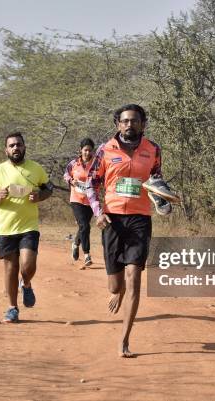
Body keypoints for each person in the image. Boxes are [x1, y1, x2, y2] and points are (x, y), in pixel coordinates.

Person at [86, 104, 167, 357]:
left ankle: (124, 340)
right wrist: (98, 213)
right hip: (112, 220)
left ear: (143, 124)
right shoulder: (104, 150)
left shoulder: (153, 150)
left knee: (134, 276)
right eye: (124, 121)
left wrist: (163, 200)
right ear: (117, 124)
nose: (129, 125)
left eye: (134, 121)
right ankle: (116, 291)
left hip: (140, 219)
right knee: (115, 285)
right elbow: (91, 183)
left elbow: (157, 181)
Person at [0, 132, 53, 323]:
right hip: (5, 228)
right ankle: (12, 308)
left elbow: (49, 188)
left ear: (24, 147)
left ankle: (27, 283)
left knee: (28, 266)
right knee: (11, 269)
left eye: (19, 145)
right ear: (6, 150)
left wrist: (39, 196)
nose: (16, 148)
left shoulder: (35, 168)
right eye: (12, 145)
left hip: (29, 226)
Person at [64, 138, 95, 268]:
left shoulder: (96, 164)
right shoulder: (73, 164)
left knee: (84, 226)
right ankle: (87, 254)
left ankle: (76, 243)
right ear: (81, 150)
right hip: (76, 199)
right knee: (85, 226)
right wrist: (71, 181)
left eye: (90, 150)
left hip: (91, 200)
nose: (87, 152)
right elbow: (66, 174)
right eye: (85, 150)